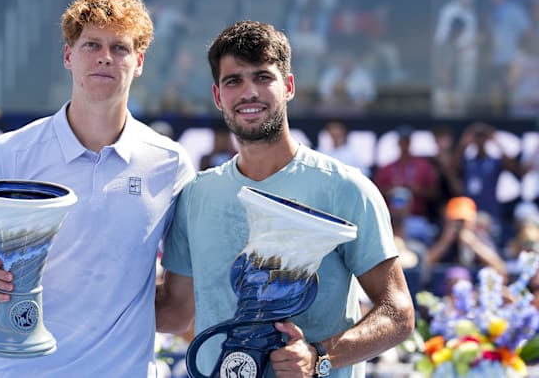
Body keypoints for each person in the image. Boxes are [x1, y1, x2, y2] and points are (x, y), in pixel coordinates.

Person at [0, 0, 195, 377]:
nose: (105, 56)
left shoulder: (170, 163)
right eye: (92, 44)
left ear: (139, 62)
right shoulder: (10, 154)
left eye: (120, 48)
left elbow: (178, 312)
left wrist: (118, 317)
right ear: (68, 56)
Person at [156, 20, 414, 378]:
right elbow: (174, 312)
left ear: (288, 86)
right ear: (218, 96)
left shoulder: (345, 188)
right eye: (234, 81)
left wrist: (319, 356)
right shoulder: (197, 195)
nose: (249, 92)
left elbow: (397, 313)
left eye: (263, 77)